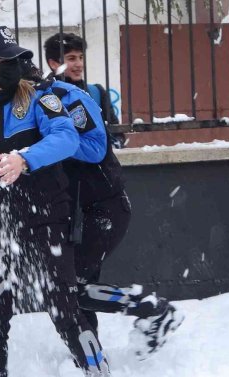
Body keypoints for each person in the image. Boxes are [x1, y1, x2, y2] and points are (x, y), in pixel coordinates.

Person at [0, 26, 111, 376]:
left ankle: (98, 370)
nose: (16, 65)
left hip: (44, 214)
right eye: (6, 60)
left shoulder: (36, 98)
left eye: (19, 58)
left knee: (63, 303)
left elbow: (65, 137)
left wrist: (25, 158)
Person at [21, 59, 184, 359]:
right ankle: (90, 355)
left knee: (73, 288)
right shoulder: (28, 113)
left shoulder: (70, 99)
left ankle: (152, 308)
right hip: (74, 212)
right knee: (76, 289)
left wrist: (56, 142)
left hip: (105, 207)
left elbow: (96, 148)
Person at [43, 32, 125, 148]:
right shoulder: (44, 95)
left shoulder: (96, 92)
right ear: (54, 64)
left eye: (81, 57)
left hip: (94, 163)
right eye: (71, 58)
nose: (79, 64)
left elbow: (116, 133)